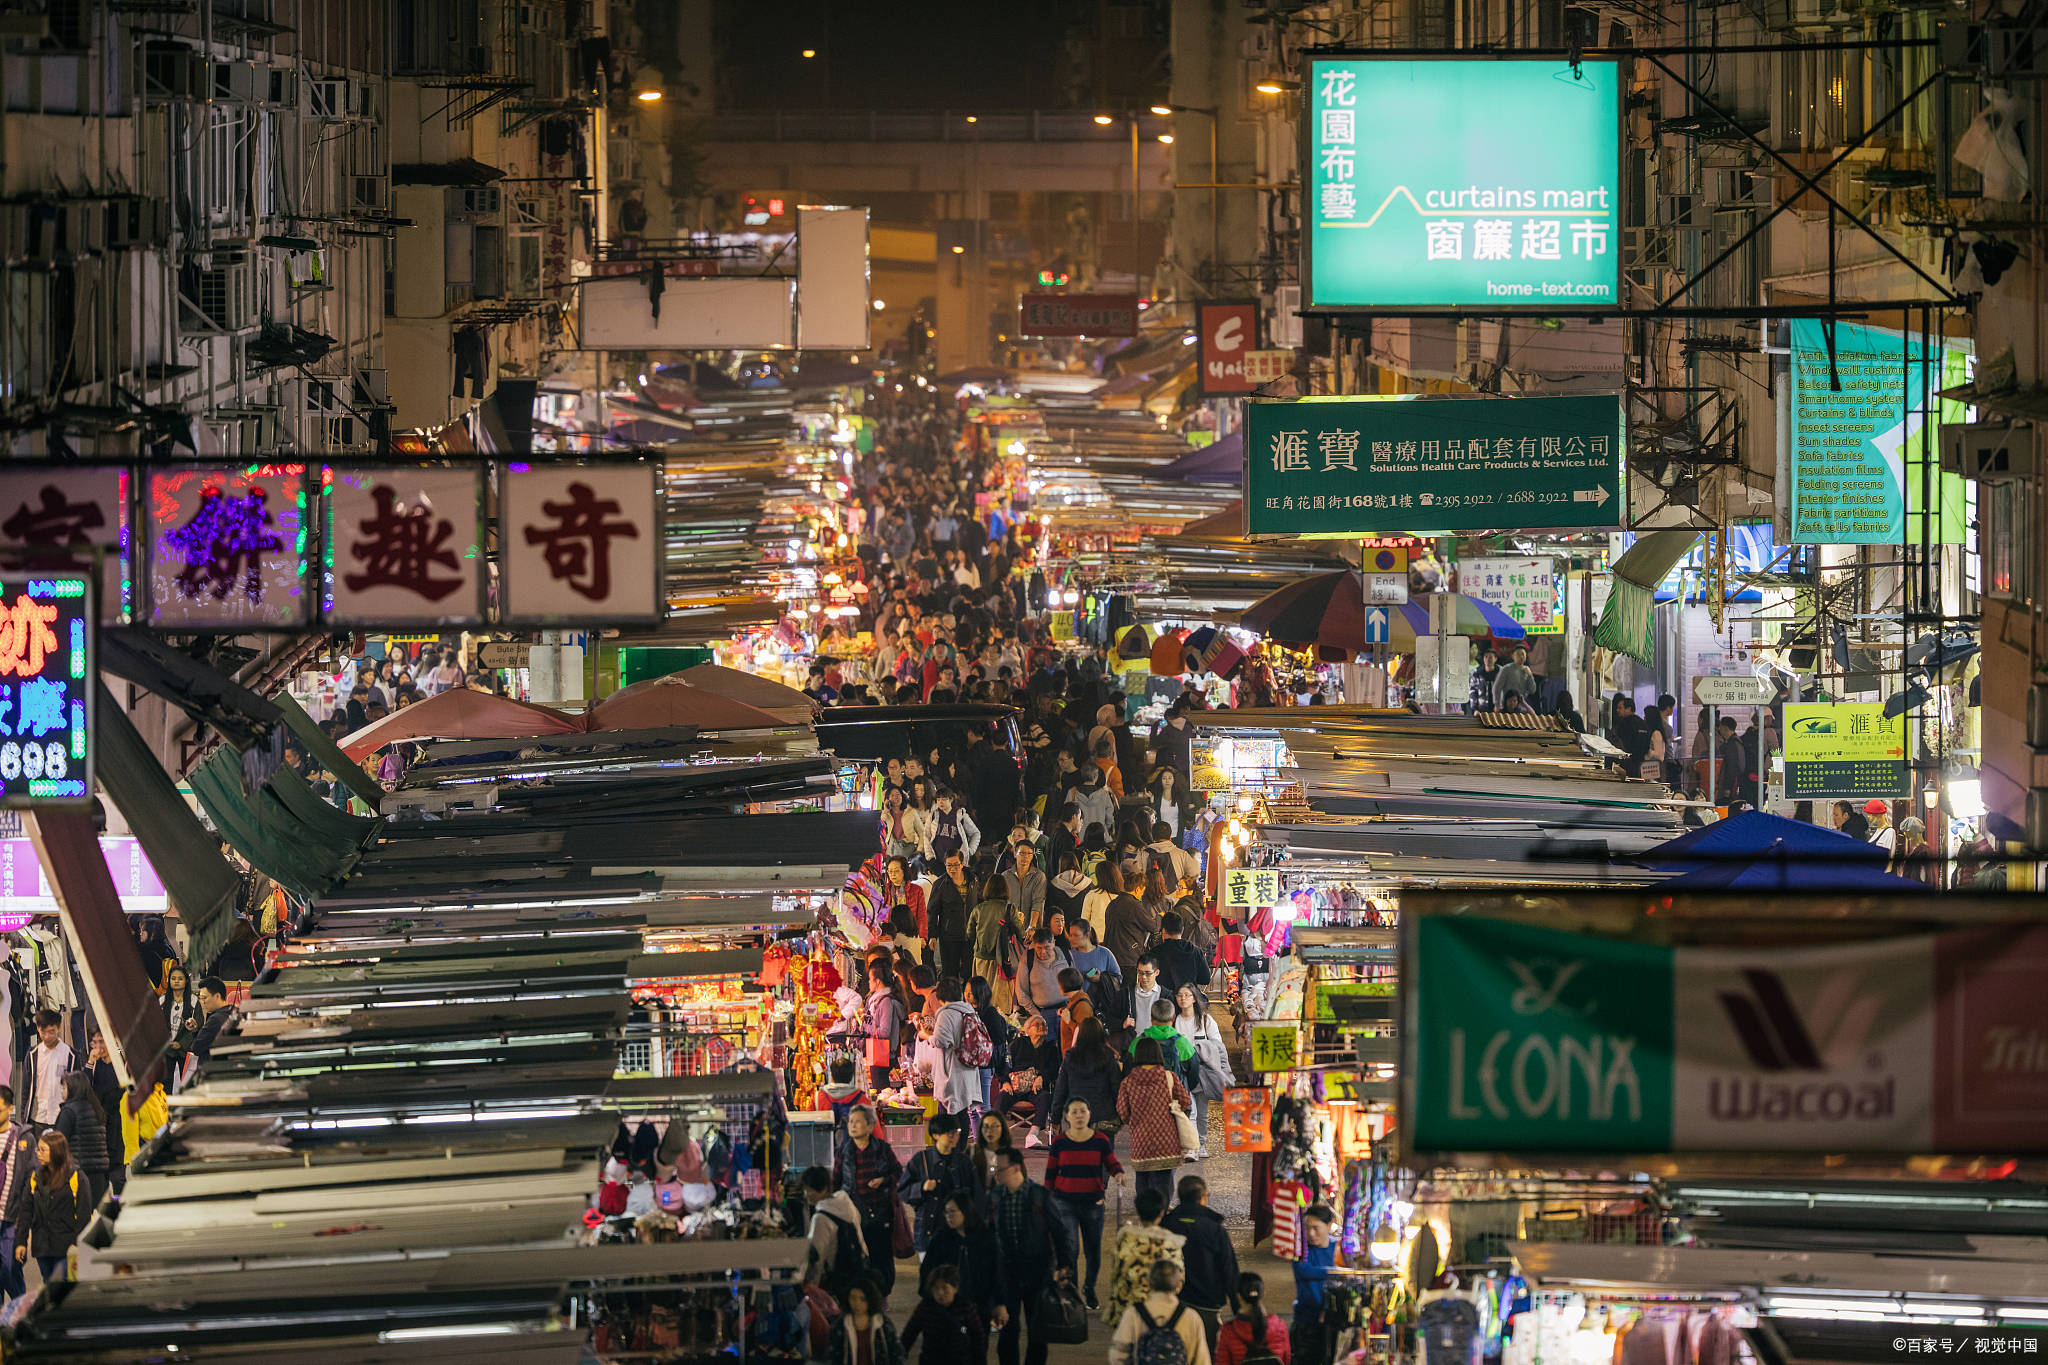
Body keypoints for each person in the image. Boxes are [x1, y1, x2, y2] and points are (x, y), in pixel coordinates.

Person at [988, 1147, 1074, 1365]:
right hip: (1007, 1274)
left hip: (1038, 1273)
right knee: (1008, 1330)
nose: (996, 1172)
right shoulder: (995, 1197)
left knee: (1038, 1333)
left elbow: (1060, 1231)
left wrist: (1065, 1265)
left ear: (1016, 1168)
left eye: (999, 1168)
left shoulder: (1039, 1195)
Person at [1044, 1096, 1125, 1310]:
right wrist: (1046, 1201)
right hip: (1065, 1203)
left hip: (1092, 1202)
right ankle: (1072, 1291)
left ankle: (1089, 1288)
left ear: (1089, 1114)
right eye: (1074, 1112)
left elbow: (1111, 1162)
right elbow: (1050, 1174)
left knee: (1093, 1250)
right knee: (1070, 1249)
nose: (1079, 1115)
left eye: (1083, 1111)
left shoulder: (1100, 1140)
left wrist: (1118, 1173)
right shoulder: (1060, 1142)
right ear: (1067, 1117)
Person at [1163, 1175, 1238, 1353]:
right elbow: (1229, 1270)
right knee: (1206, 1351)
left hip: (1173, 1303)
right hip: (1207, 1303)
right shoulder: (1214, 1229)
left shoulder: (1167, 1225)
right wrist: (1238, 1309)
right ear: (1203, 1197)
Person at [834, 1105, 903, 1297]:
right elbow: (836, 1181)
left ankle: (883, 1294)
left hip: (881, 1212)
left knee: (882, 1257)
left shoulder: (882, 1149)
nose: (852, 1126)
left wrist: (883, 1180)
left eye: (857, 1122)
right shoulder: (844, 1152)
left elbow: (898, 1173)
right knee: (859, 1258)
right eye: (850, 1122)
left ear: (870, 1125)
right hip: (854, 1214)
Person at [1119, 1038, 1195, 1206]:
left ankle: (1147, 1216)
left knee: (1143, 1181)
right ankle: (1162, 1213)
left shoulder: (1128, 1082)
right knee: (1163, 1182)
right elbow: (1186, 1102)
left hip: (1141, 1144)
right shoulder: (1169, 1077)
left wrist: (1136, 1120)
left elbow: (1123, 1113)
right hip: (1167, 1143)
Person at [13, 1130, 88, 1285]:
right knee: (49, 1286)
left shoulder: (76, 1177)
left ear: (56, 1151)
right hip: (43, 1247)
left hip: (67, 1247)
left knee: (65, 1288)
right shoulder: (35, 1177)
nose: (38, 1154)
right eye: (38, 1149)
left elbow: (84, 1215)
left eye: (43, 1150)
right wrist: (21, 1242)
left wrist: (77, 1244)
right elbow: (26, 1211)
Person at [1104, 1187, 1186, 1328]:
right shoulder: (1172, 1243)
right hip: (1162, 1314)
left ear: (1138, 1211)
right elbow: (1179, 1281)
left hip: (1129, 1311)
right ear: (1162, 1213)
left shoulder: (1125, 1239)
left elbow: (1116, 1275)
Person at [1109, 1258, 1213, 1365]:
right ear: (1178, 1285)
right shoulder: (1191, 1317)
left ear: (1149, 1283)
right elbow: (1202, 1360)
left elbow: (1117, 1356)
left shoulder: (1133, 1314)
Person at [900, 1112, 976, 1252]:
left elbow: (976, 1194)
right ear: (935, 1135)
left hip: (957, 1233)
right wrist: (921, 1187)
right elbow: (903, 1191)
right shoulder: (921, 1160)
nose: (954, 1137)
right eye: (949, 1133)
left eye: (957, 1132)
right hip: (927, 1230)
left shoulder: (964, 1162)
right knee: (930, 1273)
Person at [1174, 986, 1231, 1160]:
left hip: (1203, 1071)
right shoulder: (1174, 1020)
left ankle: (1202, 1143)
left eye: (1187, 995)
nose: (1183, 998)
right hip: (1183, 1071)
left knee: (1202, 1111)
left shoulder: (1206, 1020)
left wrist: (1199, 1049)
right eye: (1180, 995)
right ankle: (1192, 1147)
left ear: (1194, 998)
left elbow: (1218, 1044)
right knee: (1189, 1109)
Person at [922, 1189, 1003, 1312]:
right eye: (946, 1212)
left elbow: (997, 1272)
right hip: (947, 1305)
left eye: (953, 1211)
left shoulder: (985, 1238)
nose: (949, 1216)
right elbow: (927, 1269)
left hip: (980, 1304)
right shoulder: (941, 1239)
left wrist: (1000, 1303)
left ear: (965, 1211)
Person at [803, 1164, 872, 1294]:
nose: (806, 1195)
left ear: (823, 1189)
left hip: (838, 1275)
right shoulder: (846, 1202)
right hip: (860, 1265)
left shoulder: (821, 1218)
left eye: (809, 1190)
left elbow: (817, 1256)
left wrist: (812, 1288)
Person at [902, 1263, 987, 1365]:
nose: (940, 1292)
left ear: (955, 1288)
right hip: (931, 1360)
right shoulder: (926, 1307)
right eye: (935, 1288)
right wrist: (899, 1355)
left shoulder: (965, 1306)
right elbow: (910, 1332)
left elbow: (977, 1336)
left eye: (944, 1288)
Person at [927, 976, 986, 1119]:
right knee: (962, 1114)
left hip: (952, 1072)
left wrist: (926, 1036)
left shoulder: (946, 1014)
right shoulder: (969, 1011)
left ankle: (955, 1142)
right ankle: (961, 1141)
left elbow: (942, 1041)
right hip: (968, 1070)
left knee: (950, 1115)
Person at [969, 878, 1026, 1015]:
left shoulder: (979, 908)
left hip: (981, 958)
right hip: (1002, 959)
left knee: (980, 995)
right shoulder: (1009, 908)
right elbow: (1021, 932)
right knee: (999, 999)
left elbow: (969, 933)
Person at [53, 1073, 109, 1212]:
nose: (61, 1091)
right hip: (99, 1174)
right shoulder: (96, 1108)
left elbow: (59, 1141)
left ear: (73, 1088)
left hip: (78, 1173)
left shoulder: (69, 1111)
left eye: (64, 1087)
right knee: (94, 1215)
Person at [1292, 1204, 1340, 1362]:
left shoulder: (1338, 1248)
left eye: (1316, 1228)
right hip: (1307, 1323)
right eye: (1307, 1228)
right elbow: (1304, 1271)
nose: (1311, 1234)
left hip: (1335, 1322)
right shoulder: (1301, 1251)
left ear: (1329, 1226)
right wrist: (1335, 1271)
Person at [828, 1277, 906, 1365]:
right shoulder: (840, 1326)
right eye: (853, 1298)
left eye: (862, 1299)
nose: (857, 1303)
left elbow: (896, 1354)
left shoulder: (883, 1324)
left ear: (870, 1300)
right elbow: (832, 1356)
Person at [0, 1086, 32, 1299]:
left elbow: (31, 1182)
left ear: (11, 1109)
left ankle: (19, 1317)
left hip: (11, 1218)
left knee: (10, 1268)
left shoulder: (25, 1139)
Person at [1218, 1272, 1290, 1365]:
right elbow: (1286, 1360)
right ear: (1263, 1294)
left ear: (1238, 1296)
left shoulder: (1229, 1331)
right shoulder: (1279, 1327)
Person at [927, 849, 977, 982]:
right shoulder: (940, 884)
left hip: (971, 934)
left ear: (962, 864)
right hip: (949, 935)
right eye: (949, 865)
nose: (952, 869)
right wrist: (932, 935)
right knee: (950, 973)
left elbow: (979, 904)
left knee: (969, 971)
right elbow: (932, 911)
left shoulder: (973, 880)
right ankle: (951, 1000)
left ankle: (968, 1000)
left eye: (955, 865)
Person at [24, 1011, 72, 1128]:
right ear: (38, 1028)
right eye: (43, 1032)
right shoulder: (32, 1055)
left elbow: (74, 1089)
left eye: (52, 1032)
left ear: (59, 1027)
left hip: (61, 1116)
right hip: (37, 1116)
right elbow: (26, 1088)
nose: (47, 1036)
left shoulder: (70, 1055)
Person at [866, 962, 909, 1090]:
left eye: (870, 979)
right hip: (882, 1054)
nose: (868, 982)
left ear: (878, 981)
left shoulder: (885, 1001)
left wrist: (866, 1028)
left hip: (882, 1054)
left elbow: (884, 1031)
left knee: (882, 1091)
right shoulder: (879, 1000)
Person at [1152, 911, 1212, 995]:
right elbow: (1205, 979)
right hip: (1189, 1000)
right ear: (1182, 929)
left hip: (1164, 1001)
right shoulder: (1196, 951)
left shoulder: (1155, 953)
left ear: (1164, 930)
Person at [1022, 929, 1069, 1036]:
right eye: (1039, 948)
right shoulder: (1028, 958)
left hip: (1066, 1010)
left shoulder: (1065, 954)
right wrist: (1037, 1014)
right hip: (1042, 1012)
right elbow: (1021, 993)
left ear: (1054, 943)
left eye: (1047, 947)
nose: (1043, 952)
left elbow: (1075, 982)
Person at [190, 977, 234, 1066]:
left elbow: (196, 1048)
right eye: (200, 998)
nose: (202, 1002)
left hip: (212, 1069)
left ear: (217, 996)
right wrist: (196, 1030)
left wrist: (196, 1033)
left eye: (204, 998)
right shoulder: (233, 1012)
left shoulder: (215, 1020)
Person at [1493, 646, 1537, 712]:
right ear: (1513, 656)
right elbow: (1497, 687)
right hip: (1507, 705)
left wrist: (1530, 675)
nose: (1521, 656)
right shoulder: (1506, 669)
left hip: (1521, 705)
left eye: (1523, 654)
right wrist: (1497, 704)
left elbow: (1532, 690)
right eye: (1518, 654)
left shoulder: (1527, 670)